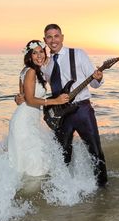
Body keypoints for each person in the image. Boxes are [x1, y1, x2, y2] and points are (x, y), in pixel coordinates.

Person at [42, 23, 109, 187]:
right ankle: (65, 191)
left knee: (95, 150)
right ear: (45, 40)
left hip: (82, 111)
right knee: (63, 155)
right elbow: (39, 88)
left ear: (62, 37)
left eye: (56, 36)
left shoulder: (78, 54)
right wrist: (23, 95)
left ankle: (103, 189)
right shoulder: (46, 65)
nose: (53, 40)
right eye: (49, 37)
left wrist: (98, 77)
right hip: (61, 115)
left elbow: (94, 84)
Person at [8, 40, 69, 178]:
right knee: (32, 163)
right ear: (29, 56)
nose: (39, 55)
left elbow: (22, 97)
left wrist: (18, 98)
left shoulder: (28, 71)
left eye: (41, 51)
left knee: (25, 163)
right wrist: (56, 101)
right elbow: (29, 99)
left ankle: (23, 194)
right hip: (24, 123)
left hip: (26, 120)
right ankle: (32, 194)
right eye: (34, 53)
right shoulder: (30, 72)